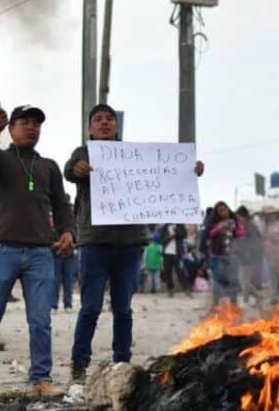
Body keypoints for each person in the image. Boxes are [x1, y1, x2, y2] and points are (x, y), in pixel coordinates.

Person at [65, 103, 203, 383]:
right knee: (90, 308)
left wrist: (190, 170)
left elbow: (169, 176)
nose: (104, 123)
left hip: (129, 244)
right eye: (98, 119)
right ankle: (79, 365)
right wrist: (77, 169)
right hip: (94, 244)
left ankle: (122, 363)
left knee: (123, 310)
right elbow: (69, 171)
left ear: (117, 127)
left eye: (109, 119)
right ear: (90, 128)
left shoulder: (135, 156)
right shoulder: (83, 153)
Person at [0, 105, 76, 396]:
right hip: (1, 250)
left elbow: (62, 205)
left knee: (40, 321)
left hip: (40, 253)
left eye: (36, 124)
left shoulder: (49, 167)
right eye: (24, 122)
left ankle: (41, 379)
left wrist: (68, 231)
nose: (31, 128)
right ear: (11, 128)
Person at [207, 201, 244, 306]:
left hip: (233, 255)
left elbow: (241, 234)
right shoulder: (213, 222)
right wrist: (219, 228)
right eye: (220, 211)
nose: (223, 212)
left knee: (234, 280)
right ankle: (215, 304)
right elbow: (208, 234)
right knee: (218, 281)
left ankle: (233, 304)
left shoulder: (235, 220)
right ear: (217, 213)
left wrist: (235, 229)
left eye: (225, 209)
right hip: (218, 256)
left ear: (228, 209)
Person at [258, 205, 279, 304]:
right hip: (268, 254)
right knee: (271, 277)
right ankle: (274, 297)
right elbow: (261, 234)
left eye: (272, 214)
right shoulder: (264, 225)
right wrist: (263, 222)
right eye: (268, 214)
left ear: (276, 214)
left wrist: (276, 238)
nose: (270, 216)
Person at [234, 206, 264, 304]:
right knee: (243, 278)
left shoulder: (250, 225)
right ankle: (254, 294)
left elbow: (254, 241)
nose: (237, 219)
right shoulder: (244, 225)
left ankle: (246, 298)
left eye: (238, 216)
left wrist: (249, 252)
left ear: (243, 216)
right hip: (244, 255)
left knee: (244, 278)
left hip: (248, 255)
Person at [157, 224, 191, 298]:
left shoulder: (180, 225)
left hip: (178, 253)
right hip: (167, 253)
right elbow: (161, 241)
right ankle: (170, 289)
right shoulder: (164, 227)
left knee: (180, 271)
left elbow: (184, 235)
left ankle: (186, 289)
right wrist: (170, 237)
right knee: (167, 272)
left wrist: (175, 232)